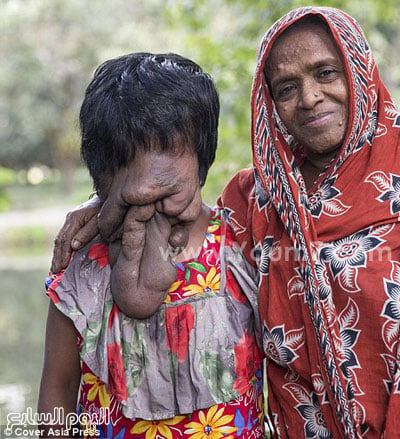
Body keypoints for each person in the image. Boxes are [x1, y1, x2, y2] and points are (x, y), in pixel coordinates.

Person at [50, 7, 400, 438]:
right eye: (286, 88)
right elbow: (169, 194)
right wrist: (107, 198)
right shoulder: (257, 203)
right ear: (269, 103)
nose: (309, 98)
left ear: (361, 71)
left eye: (326, 73)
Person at [38, 52, 264, 438]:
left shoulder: (241, 246)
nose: (145, 195)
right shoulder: (85, 269)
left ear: (201, 162)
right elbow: (57, 389)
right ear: (103, 181)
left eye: (166, 186)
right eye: (130, 191)